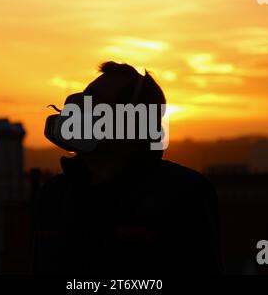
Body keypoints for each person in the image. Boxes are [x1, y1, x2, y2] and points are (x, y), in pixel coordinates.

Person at [35, 61, 223, 274]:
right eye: (84, 95)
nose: (74, 105)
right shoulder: (55, 195)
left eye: (93, 99)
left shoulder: (185, 194)